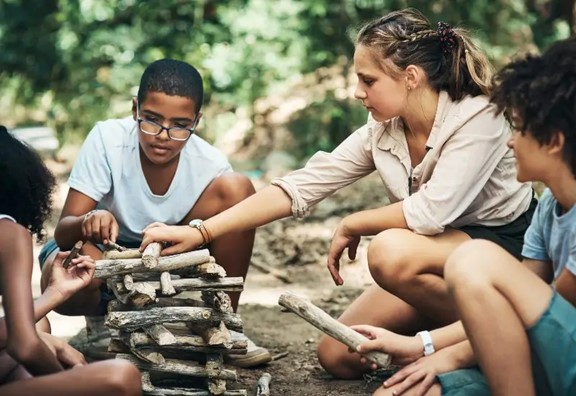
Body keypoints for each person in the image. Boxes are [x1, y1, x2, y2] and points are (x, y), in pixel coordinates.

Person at [140, 8, 534, 382]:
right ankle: (455, 339)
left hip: (501, 251)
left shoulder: (477, 117)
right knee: (340, 354)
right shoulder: (384, 129)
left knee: (388, 251)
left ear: (411, 77)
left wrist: (353, 222)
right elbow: (303, 185)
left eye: (368, 80)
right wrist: (202, 232)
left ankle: (507, 335)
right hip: (432, 261)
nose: (357, 92)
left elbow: (431, 212)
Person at [38, 59, 270, 367]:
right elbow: (63, 233)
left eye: (180, 125)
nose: (163, 135)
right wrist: (87, 221)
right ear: (135, 109)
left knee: (238, 188)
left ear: (196, 122)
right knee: (61, 263)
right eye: (151, 119)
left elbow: (224, 226)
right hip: (102, 257)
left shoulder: (209, 163)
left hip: (164, 258)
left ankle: (221, 322)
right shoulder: (108, 140)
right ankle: (101, 327)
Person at [444, 37, 576, 396]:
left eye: (517, 127)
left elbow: (544, 314)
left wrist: (445, 355)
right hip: (547, 359)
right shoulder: (549, 205)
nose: (510, 142)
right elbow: (517, 300)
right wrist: (422, 345)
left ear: (553, 141)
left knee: (474, 259)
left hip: (563, 359)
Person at [0, 126, 141, 394]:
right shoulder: (8, 233)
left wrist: (55, 293)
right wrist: (68, 377)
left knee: (39, 328)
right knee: (120, 376)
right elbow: (24, 345)